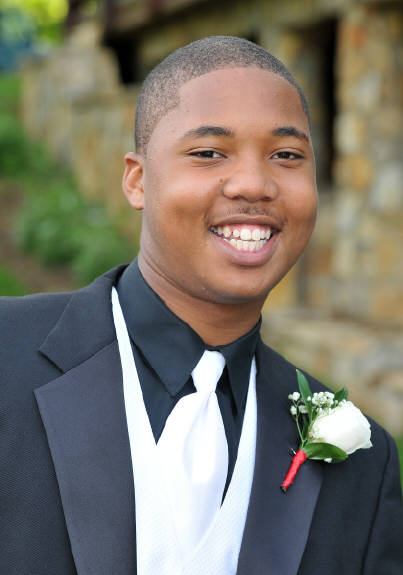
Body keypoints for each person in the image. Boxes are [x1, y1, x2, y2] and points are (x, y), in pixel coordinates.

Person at [0, 36, 402, 575]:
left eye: (286, 156)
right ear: (138, 180)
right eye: (209, 153)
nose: (254, 184)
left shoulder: (363, 461)